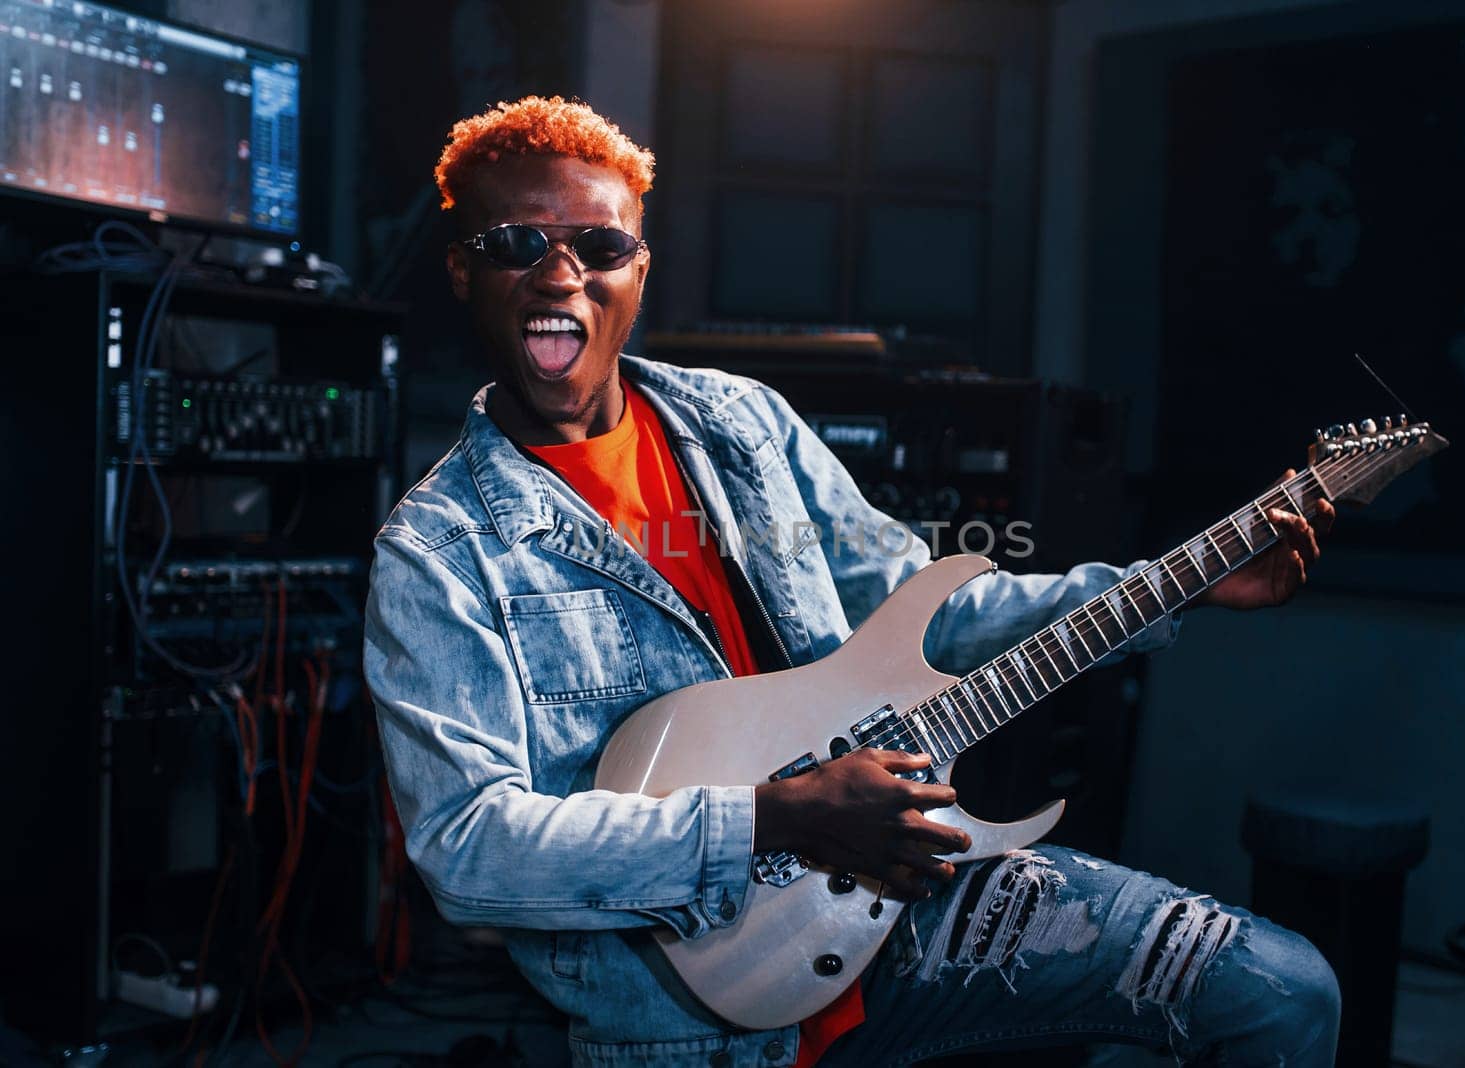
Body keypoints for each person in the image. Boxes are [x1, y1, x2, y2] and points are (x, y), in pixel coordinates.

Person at [364, 95, 1341, 1068]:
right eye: (515, 240)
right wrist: (778, 816)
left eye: (600, 245)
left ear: (642, 266)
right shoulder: (437, 551)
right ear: (460, 269)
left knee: (1280, 994)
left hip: (909, 899)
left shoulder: (740, 423)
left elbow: (927, 612)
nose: (561, 272)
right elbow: (468, 848)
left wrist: (1181, 583)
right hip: (690, 1017)